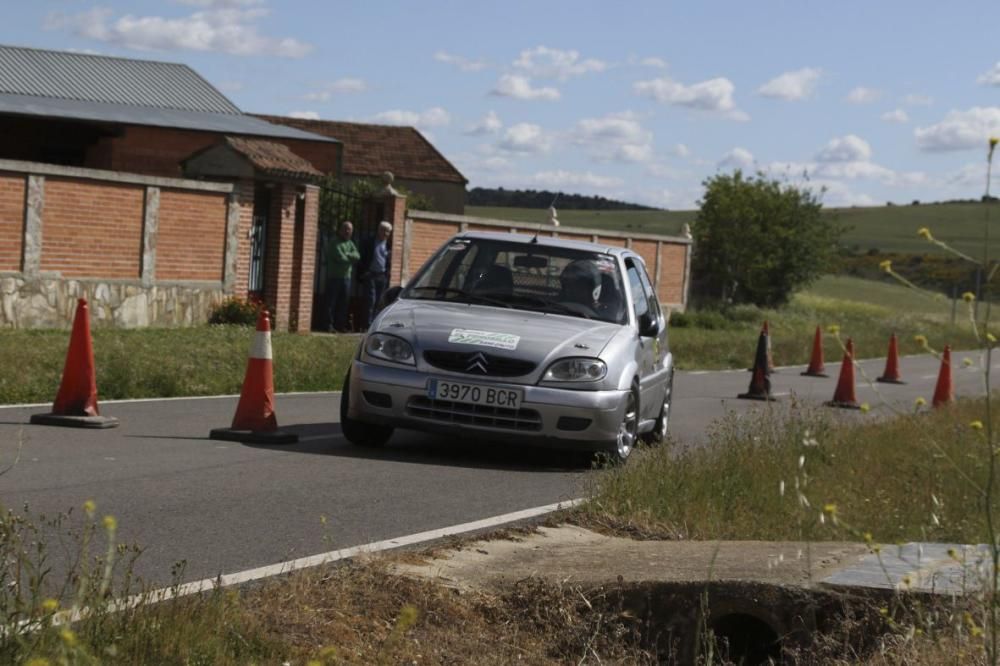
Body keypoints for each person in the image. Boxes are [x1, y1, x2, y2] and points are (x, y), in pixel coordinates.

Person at [326, 220, 360, 332]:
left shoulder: (350, 243)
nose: (347, 231)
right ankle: (329, 325)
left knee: (343, 303)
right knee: (331, 302)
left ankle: (340, 325)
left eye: (349, 229)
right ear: (340, 230)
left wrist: (349, 255)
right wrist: (349, 258)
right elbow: (341, 258)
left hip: (346, 278)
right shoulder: (334, 242)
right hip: (334, 277)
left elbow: (357, 256)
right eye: (345, 228)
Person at [358, 221, 393, 329]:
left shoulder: (388, 244)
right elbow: (362, 258)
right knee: (370, 301)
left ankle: (375, 325)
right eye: (384, 230)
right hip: (371, 275)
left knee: (379, 302)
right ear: (379, 230)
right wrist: (363, 272)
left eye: (388, 232)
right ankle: (367, 325)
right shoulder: (370, 242)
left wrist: (388, 271)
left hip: (382, 276)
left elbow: (388, 260)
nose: (386, 233)